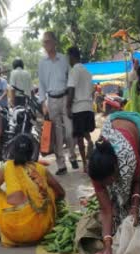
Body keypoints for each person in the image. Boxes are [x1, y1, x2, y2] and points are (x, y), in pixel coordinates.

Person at [87, 111, 140, 254]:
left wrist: (135, 207)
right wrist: (107, 246)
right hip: (113, 123)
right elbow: (106, 210)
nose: (108, 185)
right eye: (104, 183)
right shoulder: (96, 171)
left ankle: (133, 210)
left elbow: (137, 180)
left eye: (109, 180)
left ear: (116, 168)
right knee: (116, 213)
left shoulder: (128, 159)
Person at [0, 133, 65, 247]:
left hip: (15, 232)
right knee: (50, 191)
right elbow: (61, 193)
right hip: (41, 231)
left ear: (13, 150)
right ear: (32, 152)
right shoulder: (40, 168)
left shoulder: (7, 166)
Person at [38, 30, 76, 175]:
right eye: (44, 42)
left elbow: (71, 77)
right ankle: (61, 165)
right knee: (57, 135)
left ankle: (72, 155)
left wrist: (72, 99)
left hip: (65, 98)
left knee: (70, 131)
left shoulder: (64, 59)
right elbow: (41, 84)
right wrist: (43, 104)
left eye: (47, 41)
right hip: (51, 100)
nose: (45, 44)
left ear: (54, 42)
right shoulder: (42, 63)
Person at [66, 47, 94, 173]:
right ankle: (90, 141)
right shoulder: (87, 72)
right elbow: (92, 91)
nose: (68, 60)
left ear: (72, 56)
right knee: (86, 131)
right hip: (88, 107)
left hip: (78, 108)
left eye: (69, 57)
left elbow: (71, 90)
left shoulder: (74, 71)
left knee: (79, 137)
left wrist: (68, 106)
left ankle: (85, 165)